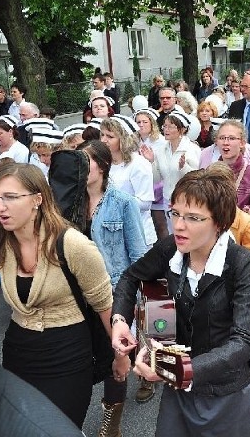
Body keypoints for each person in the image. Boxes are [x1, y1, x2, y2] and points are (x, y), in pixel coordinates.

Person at [110, 167, 250, 436]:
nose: (179, 225)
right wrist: (120, 320)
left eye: (193, 217)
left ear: (219, 222)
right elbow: (131, 277)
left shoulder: (242, 263)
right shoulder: (171, 248)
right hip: (177, 390)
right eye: (175, 213)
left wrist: (179, 369)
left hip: (224, 393)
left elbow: (243, 342)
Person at [0, 164, 114, 428]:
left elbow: (104, 304)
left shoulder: (72, 244)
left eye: (10, 197)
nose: (0, 207)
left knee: (58, 427)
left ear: (37, 199)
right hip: (19, 351)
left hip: (68, 355)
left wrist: (119, 356)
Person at [78, 140, 148, 429]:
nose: (82, 167)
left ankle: (111, 425)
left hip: (115, 291)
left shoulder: (123, 203)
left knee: (114, 355)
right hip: (78, 295)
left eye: (87, 161)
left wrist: (133, 298)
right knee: (83, 353)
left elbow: (139, 256)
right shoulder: (69, 203)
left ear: (104, 166)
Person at [0, 257, 84, 436]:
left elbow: (102, 298)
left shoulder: (42, 430)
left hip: (65, 350)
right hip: (19, 347)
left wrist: (118, 356)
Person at [139, 110, 201, 231]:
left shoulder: (191, 149)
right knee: (172, 233)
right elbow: (157, 178)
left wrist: (183, 167)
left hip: (187, 200)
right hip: (168, 199)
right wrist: (152, 162)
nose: (166, 130)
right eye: (164, 126)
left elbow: (197, 178)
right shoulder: (162, 149)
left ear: (182, 130)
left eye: (170, 126)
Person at [100, 117, 157, 247]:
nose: (103, 140)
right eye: (102, 134)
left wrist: (112, 201)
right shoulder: (104, 163)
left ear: (123, 139)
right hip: (112, 234)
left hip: (137, 234)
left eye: (110, 136)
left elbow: (145, 203)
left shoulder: (139, 164)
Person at [213, 120, 250, 243]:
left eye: (231, 138)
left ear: (242, 143)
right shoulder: (210, 171)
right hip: (214, 237)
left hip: (241, 238)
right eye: (222, 138)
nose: (225, 142)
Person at [134, 108, 168, 241]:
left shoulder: (161, 141)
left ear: (152, 124)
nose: (141, 125)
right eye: (138, 122)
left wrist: (153, 160)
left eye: (144, 122)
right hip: (140, 186)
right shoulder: (134, 141)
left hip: (157, 186)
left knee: (160, 223)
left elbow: (164, 166)